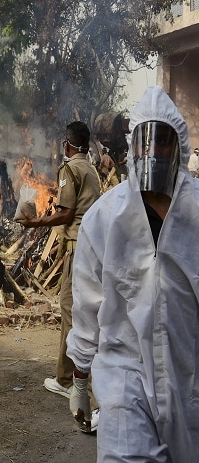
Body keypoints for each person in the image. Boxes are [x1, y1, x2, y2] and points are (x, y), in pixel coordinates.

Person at [66, 86, 199, 461]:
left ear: (179, 148)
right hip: (125, 373)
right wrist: (80, 378)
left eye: (163, 143)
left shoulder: (197, 214)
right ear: (132, 147)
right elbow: (87, 305)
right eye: (145, 143)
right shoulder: (105, 219)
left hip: (188, 376)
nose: (152, 152)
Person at [16, 121, 101, 430]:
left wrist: (35, 223)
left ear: (68, 145)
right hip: (90, 245)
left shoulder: (71, 170)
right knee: (75, 310)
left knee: (71, 309)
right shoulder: (90, 168)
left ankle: (74, 381)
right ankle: (67, 376)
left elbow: (65, 213)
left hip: (79, 247)